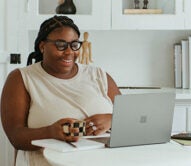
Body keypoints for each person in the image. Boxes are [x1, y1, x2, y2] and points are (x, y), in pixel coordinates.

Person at [1, 15, 121, 166]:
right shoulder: (21, 78)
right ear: (42, 46)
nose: (69, 52)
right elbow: (15, 136)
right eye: (60, 44)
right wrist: (51, 132)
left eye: (74, 44)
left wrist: (112, 119)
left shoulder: (99, 75)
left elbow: (129, 120)